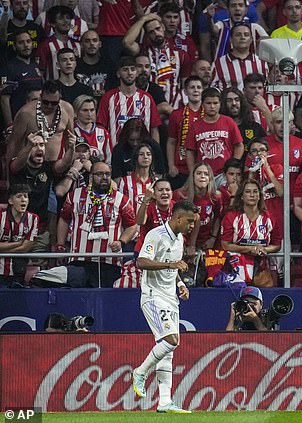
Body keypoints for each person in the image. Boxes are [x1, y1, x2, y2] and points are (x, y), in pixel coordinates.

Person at [132, 199, 197, 414]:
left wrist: (180, 284)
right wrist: (171, 265)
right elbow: (141, 262)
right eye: (189, 221)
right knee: (172, 341)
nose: (191, 226)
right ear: (177, 217)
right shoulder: (155, 235)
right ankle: (140, 372)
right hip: (153, 296)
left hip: (170, 298)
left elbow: (173, 268)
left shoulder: (179, 239)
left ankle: (164, 401)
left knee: (167, 351)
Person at [57, 161, 137, 287]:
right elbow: (64, 219)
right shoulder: (74, 196)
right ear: (90, 177)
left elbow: (132, 225)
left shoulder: (121, 199)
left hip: (109, 261)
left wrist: (121, 242)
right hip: (79, 259)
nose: (104, 177)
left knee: (105, 302)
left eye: (108, 174)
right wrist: (60, 244)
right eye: (99, 174)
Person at [220, 179, 282, 283]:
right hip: (236, 270)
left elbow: (277, 244)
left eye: (255, 192)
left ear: (259, 196)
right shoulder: (231, 217)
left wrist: (264, 249)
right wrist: (250, 249)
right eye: (248, 192)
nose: (252, 195)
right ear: (242, 196)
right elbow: (225, 245)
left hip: (261, 270)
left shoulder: (269, 218)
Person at [97, 56, 162, 145]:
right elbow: (101, 128)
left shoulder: (147, 98)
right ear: (118, 73)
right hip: (115, 155)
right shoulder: (108, 98)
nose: (130, 73)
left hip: (141, 155)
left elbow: (154, 129)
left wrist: (155, 152)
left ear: (136, 73)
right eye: (125, 70)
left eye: (132, 69)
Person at [185, 87, 244, 183]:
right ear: (202, 104)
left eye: (215, 103)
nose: (212, 106)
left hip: (224, 174)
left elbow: (239, 145)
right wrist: (193, 172)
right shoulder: (195, 126)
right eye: (208, 103)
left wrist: (232, 165)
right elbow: (190, 151)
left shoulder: (228, 122)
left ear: (220, 104)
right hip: (204, 175)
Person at [7, 80, 74, 162]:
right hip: (29, 165)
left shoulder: (67, 109)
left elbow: (70, 140)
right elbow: (13, 144)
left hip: (55, 165)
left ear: (59, 99)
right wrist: (9, 172)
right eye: (45, 102)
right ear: (41, 96)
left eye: (54, 103)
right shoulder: (25, 113)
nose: (49, 106)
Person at [166, 75, 204, 190]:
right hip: (181, 169)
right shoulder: (176, 114)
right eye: (192, 87)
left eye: (199, 87)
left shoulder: (209, 114)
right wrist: (171, 165)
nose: (196, 90)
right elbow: (171, 142)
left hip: (203, 168)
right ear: (186, 92)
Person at [0, 29, 43, 126]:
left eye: (28, 41)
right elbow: (4, 99)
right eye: (21, 42)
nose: (26, 45)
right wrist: (10, 125)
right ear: (14, 47)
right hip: (18, 120)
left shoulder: (35, 65)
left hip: (37, 120)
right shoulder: (9, 67)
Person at [0, 184, 39, 287]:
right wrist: (18, 243)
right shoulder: (0, 217)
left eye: (25, 196)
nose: (23, 200)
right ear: (10, 201)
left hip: (19, 271)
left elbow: (25, 248)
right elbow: (22, 245)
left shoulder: (34, 219)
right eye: (19, 196)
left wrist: (3, 250)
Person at [210, 23, 268, 91]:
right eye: (238, 35)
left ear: (251, 39)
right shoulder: (218, 64)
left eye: (246, 35)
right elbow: (213, 90)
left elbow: (267, 87)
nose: (242, 37)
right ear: (230, 39)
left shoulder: (262, 62)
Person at [72, 95, 113, 163]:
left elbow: (109, 160)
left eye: (92, 110)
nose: (89, 114)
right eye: (85, 110)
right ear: (76, 111)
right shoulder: (71, 131)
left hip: (99, 172)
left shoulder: (103, 132)